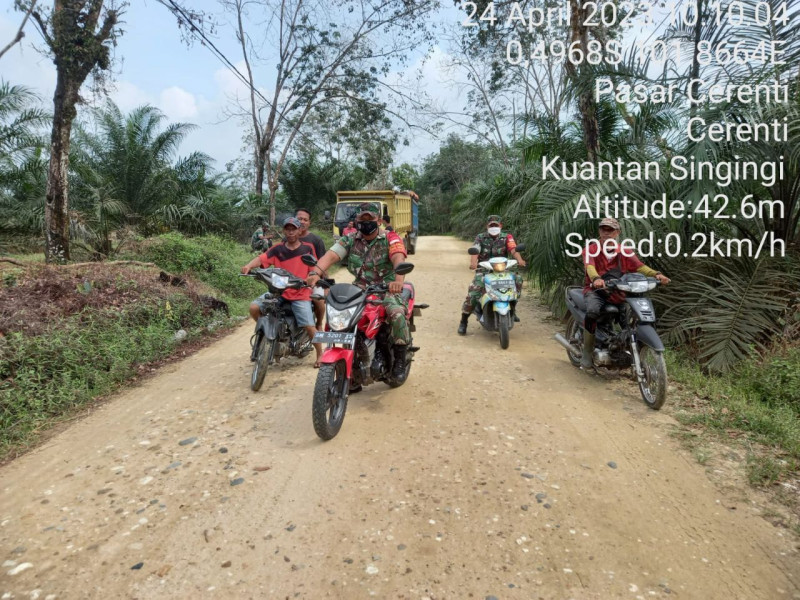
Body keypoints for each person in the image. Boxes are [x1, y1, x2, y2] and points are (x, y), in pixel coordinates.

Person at [306, 202, 412, 383]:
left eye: (369, 218)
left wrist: (398, 281)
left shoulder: (390, 237)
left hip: (386, 287)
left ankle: (399, 362)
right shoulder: (350, 239)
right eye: (361, 218)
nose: (365, 222)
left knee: (396, 314)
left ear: (378, 219)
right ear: (356, 220)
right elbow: (332, 255)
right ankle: (353, 366)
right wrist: (315, 272)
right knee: (344, 315)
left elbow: (398, 256)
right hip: (360, 288)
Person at [581, 217, 670, 369]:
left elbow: (639, 267)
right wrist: (596, 278)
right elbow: (590, 266)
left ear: (617, 232)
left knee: (628, 321)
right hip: (597, 291)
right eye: (603, 229)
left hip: (618, 292)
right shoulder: (591, 249)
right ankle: (587, 352)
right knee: (592, 311)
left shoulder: (624, 251)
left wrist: (656, 275)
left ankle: (626, 352)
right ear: (599, 231)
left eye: (610, 230)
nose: (606, 233)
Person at [241, 217, 323, 367]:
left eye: (294, 229)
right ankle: (267, 334)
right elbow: (261, 258)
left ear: (300, 230)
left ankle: (320, 354)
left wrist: (309, 279)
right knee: (254, 307)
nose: (291, 232)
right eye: (288, 229)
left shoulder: (307, 248)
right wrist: (248, 266)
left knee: (309, 326)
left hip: (300, 293)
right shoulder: (277, 249)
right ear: (283, 231)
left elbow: (314, 269)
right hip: (278, 292)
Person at [458, 215, 526, 335]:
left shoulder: (507, 237)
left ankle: (512, 306)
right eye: (491, 225)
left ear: (501, 226)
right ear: (487, 226)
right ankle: (464, 321)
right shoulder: (480, 237)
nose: (493, 227)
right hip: (484, 269)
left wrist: (520, 260)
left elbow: (513, 249)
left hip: (503, 269)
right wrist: (473, 263)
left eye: (496, 225)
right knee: (475, 291)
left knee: (518, 280)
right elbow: (476, 250)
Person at [295, 208, 327, 329]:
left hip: (311, 279)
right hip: (293, 280)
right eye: (299, 219)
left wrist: (325, 286)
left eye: (305, 220)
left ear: (309, 223)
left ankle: (318, 323)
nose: (302, 222)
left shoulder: (316, 240)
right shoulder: (287, 238)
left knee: (318, 300)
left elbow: (323, 262)